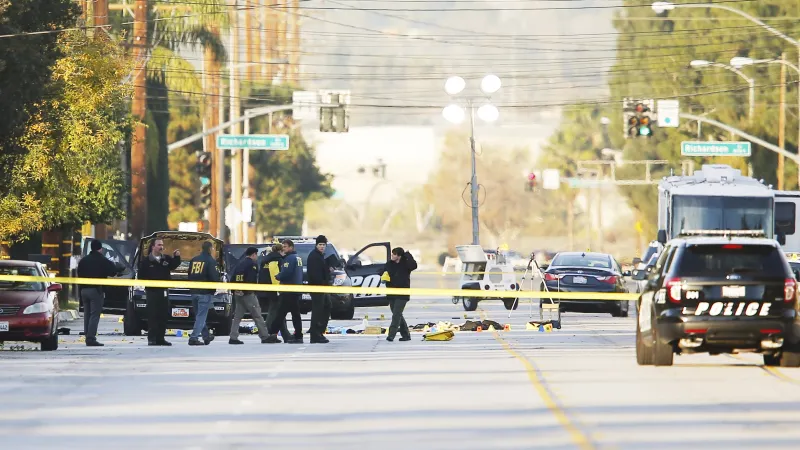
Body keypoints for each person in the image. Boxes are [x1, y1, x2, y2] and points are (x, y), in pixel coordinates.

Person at [76, 240, 125, 347]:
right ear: (100, 249)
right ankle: (91, 338)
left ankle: (87, 334)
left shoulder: (83, 260)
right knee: (95, 314)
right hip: (96, 291)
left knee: (87, 314)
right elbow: (112, 270)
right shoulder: (102, 259)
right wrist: (120, 268)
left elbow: (78, 273)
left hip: (84, 290)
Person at [137, 238, 181, 346]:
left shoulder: (166, 259)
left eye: (162, 245)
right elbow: (141, 276)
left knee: (163, 315)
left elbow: (174, 265)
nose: (161, 247)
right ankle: (152, 338)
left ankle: (161, 338)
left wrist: (177, 257)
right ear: (153, 247)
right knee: (152, 315)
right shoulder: (146, 261)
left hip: (164, 292)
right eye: (159, 245)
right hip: (152, 292)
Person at [229, 247, 272, 345]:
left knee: (237, 317)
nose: (256, 257)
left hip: (238, 293)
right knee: (257, 315)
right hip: (247, 294)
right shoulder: (252, 264)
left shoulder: (240, 264)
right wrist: (248, 291)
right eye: (256, 255)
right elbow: (251, 279)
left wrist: (234, 290)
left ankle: (233, 336)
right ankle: (265, 336)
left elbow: (232, 278)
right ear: (253, 254)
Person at [187, 241, 220, 346]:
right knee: (201, 316)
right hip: (205, 292)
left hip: (194, 291)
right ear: (210, 249)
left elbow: (189, 275)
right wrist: (214, 289)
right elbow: (214, 277)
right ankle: (194, 337)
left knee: (199, 315)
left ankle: (206, 336)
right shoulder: (210, 261)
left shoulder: (194, 260)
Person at [275, 239, 308, 343]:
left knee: (280, 314)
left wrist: (278, 276)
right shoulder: (298, 258)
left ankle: (271, 334)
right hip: (296, 289)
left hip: (288, 290)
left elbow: (286, 273)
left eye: (285, 246)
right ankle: (298, 335)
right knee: (295, 314)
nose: (283, 248)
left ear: (291, 247)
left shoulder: (289, 258)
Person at [383, 247, 417, 342]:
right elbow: (383, 271)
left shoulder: (406, 264)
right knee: (397, 314)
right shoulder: (389, 264)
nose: (392, 256)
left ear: (399, 256)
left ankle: (391, 335)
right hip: (391, 293)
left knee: (396, 315)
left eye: (394, 254)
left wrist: (408, 255)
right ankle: (406, 335)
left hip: (402, 294)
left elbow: (414, 265)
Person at [306, 235, 332, 344]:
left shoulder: (320, 256)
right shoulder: (314, 256)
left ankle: (319, 332)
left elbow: (322, 270)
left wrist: (328, 269)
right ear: (316, 245)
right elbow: (314, 274)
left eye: (323, 245)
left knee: (326, 307)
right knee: (318, 312)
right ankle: (315, 335)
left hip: (322, 287)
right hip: (317, 287)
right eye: (320, 244)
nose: (322, 247)